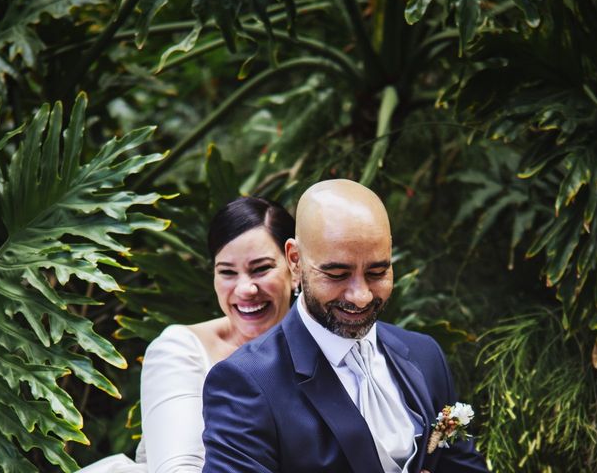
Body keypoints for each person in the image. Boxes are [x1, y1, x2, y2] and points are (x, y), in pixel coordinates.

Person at [201, 179, 489, 473]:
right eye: (337, 274)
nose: (361, 296)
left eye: (377, 272)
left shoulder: (425, 354)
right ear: (295, 260)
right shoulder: (247, 382)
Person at [78, 196, 297, 473]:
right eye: (227, 272)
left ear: (296, 267)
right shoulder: (181, 350)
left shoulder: (332, 347)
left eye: (261, 269)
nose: (245, 289)